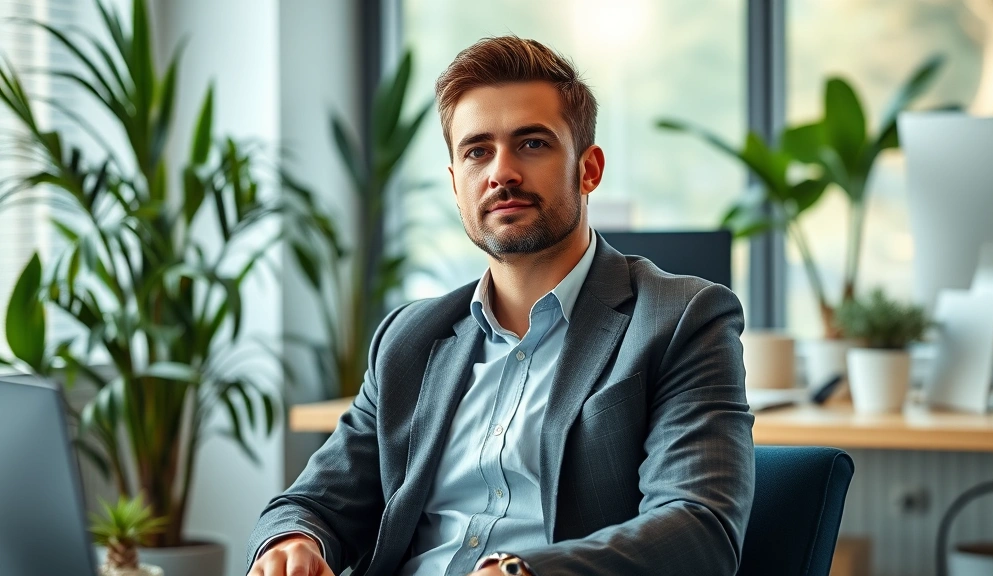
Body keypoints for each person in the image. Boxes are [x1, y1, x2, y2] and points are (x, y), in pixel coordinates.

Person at [246, 36, 754, 576]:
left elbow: (700, 529)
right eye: (476, 151)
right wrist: (293, 543)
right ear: (456, 184)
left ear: (589, 169)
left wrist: (519, 572)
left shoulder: (680, 319)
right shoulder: (409, 339)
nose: (501, 172)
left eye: (531, 144)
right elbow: (317, 501)